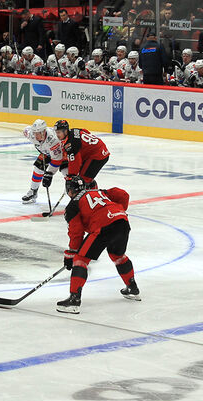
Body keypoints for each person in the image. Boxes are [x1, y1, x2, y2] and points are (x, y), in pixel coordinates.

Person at [57, 176, 139, 314]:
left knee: (80, 260)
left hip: (104, 227)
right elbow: (123, 194)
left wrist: (71, 253)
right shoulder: (101, 192)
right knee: (117, 255)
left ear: (70, 190)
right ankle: (132, 288)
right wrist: (118, 210)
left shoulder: (72, 206)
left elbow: (76, 233)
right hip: (122, 221)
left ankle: (74, 300)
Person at [21, 118, 65, 204]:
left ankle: (76, 194)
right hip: (47, 153)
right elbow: (26, 129)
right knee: (38, 168)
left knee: (67, 172)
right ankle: (33, 192)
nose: (36, 136)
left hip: (63, 153)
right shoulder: (31, 134)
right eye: (35, 133)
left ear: (44, 131)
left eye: (38, 133)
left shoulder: (53, 140)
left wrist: (49, 174)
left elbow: (57, 160)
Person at [54, 119, 109, 187]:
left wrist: (71, 177)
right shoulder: (74, 130)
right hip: (99, 149)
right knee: (84, 178)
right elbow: (86, 131)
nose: (57, 135)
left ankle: (93, 195)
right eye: (56, 132)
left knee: (82, 181)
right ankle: (92, 191)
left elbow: (75, 162)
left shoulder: (70, 144)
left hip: (98, 155)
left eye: (59, 132)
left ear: (65, 131)